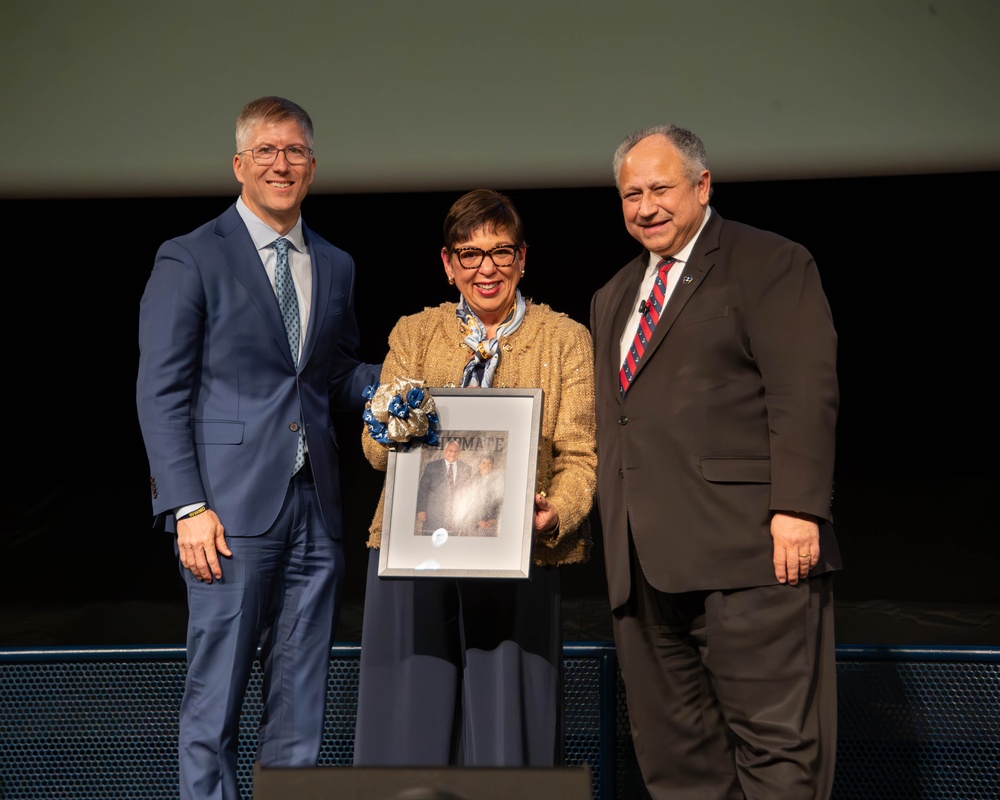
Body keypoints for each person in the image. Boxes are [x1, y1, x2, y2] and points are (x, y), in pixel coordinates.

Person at [136, 96, 379, 800]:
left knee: (301, 710)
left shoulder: (335, 263)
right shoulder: (190, 256)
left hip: (316, 510)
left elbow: (333, 375)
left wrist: (401, 387)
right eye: (267, 152)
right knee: (214, 708)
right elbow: (161, 392)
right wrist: (187, 506)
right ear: (239, 164)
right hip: (227, 515)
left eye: (296, 151)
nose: (282, 164)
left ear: (313, 166)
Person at [590, 126, 840, 799]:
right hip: (641, 571)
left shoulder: (770, 262)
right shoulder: (613, 295)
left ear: (702, 186)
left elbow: (804, 389)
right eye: (630, 194)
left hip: (751, 552)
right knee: (679, 765)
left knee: (778, 751)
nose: (645, 206)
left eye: (660, 188)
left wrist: (799, 507)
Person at [353, 189, 597, 766]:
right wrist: (391, 426)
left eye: (500, 252)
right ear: (448, 263)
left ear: (522, 258)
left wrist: (555, 511)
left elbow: (583, 457)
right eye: (469, 254)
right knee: (405, 730)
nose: (485, 268)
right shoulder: (414, 334)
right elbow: (373, 449)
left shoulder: (565, 340)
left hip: (520, 551)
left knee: (508, 737)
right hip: (414, 554)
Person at [415, 439, 472, 535]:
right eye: (450, 450)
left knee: (452, 543)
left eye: (456, 451)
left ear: (459, 453)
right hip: (433, 514)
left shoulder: (466, 468)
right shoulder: (431, 466)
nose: (453, 454)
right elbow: (423, 489)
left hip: (455, 515)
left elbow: (469, 492)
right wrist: (421, 510)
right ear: (445, 451)